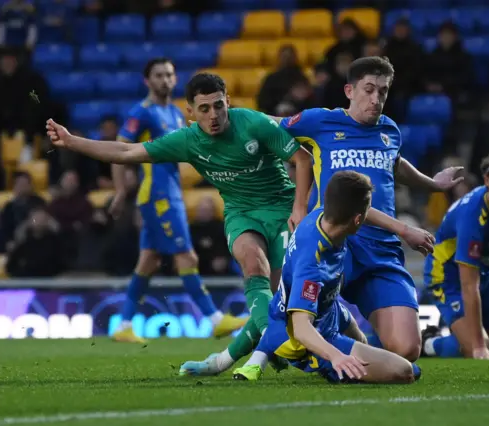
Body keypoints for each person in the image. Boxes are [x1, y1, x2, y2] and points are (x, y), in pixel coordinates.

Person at [46, 72, 316, 362]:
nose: (213, 115)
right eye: (204, 109)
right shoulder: (188, 141)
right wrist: (73, 142)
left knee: (280, 298)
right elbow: (126, 150)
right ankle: (268, 339)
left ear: (228, 102)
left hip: (281, 208)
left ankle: (273, 346)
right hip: (241, 214)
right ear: (190, 112)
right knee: (252, 262)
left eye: (218, 106)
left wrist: (299, 208)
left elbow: (303, 159)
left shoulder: (253, 123)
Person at [265, 56, 463, 362]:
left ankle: (351, 336)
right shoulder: (319, 122)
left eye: (382, 92)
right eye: (369, 89)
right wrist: (227, 120)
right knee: (300, 333)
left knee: (407, 350)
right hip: (335, 242)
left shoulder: (389, 130)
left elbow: (394, 165)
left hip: (381, 250)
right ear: (349, 91)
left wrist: (432, 184)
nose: (376, 99)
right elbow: (269, 126)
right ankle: (275, 345)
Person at [204, 170, 421, 384]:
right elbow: (301, 328)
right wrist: (336, 355)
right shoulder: (313, 266)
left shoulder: (320, 214)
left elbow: (362, 210)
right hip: (301, 337)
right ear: (357, 220)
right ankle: (331, 366)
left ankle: (350, 358)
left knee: (364, 341)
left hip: (328, 311)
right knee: (405, 371)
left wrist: (404, 229)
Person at [93, 60, 245, 344]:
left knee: (148, 261)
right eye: (159, 75)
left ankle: (123, 324)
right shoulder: (143, 113)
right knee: (186, 256)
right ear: (147, 81)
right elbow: (120, 149)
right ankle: (214, 318)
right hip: (157, 195)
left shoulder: (175, 113)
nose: (165, 80)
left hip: (171, 192)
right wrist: (120, 191)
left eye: (169, 74)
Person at [420, 148, 489, 360]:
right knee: (476, 349)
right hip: (448, 276)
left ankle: (465, 338)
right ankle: (428, 343)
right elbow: (468, 286)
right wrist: (479, 347)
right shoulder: (473, 215)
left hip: (484, 275)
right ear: (487, 180)